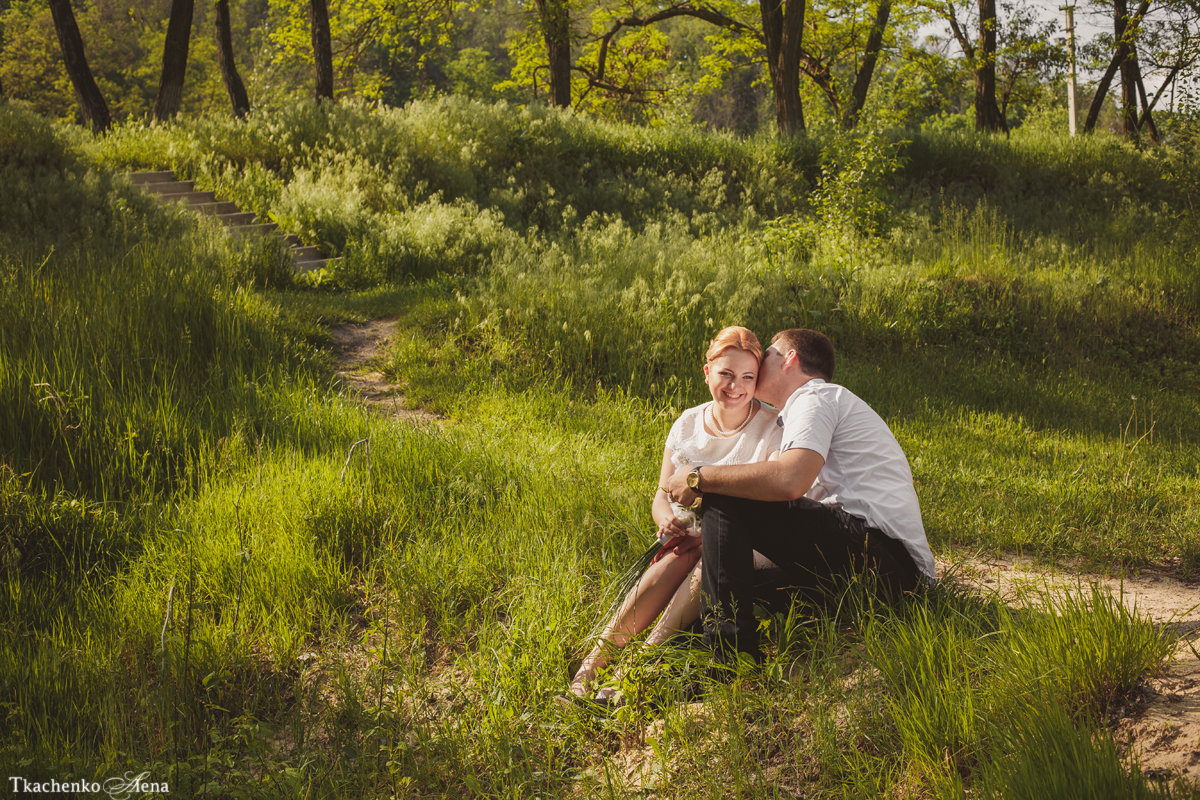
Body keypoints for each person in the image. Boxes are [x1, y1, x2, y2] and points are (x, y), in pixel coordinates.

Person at [665, 328, 935, 662]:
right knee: (731, 588)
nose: (761, 363)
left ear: (788, 358)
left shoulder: (816, 397)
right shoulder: (804, 409)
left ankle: (731, 660)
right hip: (880, 576)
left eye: (768, 356)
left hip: (884, 558)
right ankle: (665, 659)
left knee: (725, 495)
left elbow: (789, 481)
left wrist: (699, 478)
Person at [564, 326, 782, 703]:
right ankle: (591, 666)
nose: (736, 386)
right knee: (682, 553)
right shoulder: (686, 422)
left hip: (742, 541)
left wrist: (707, 534)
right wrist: (664, 517)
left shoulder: (770, 426)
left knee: (703, 552)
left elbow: (770, 496)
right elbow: (662, 493)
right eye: (726, 374)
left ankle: (632, 668)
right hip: (683, 539)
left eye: (748, 377)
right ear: (707, 372)